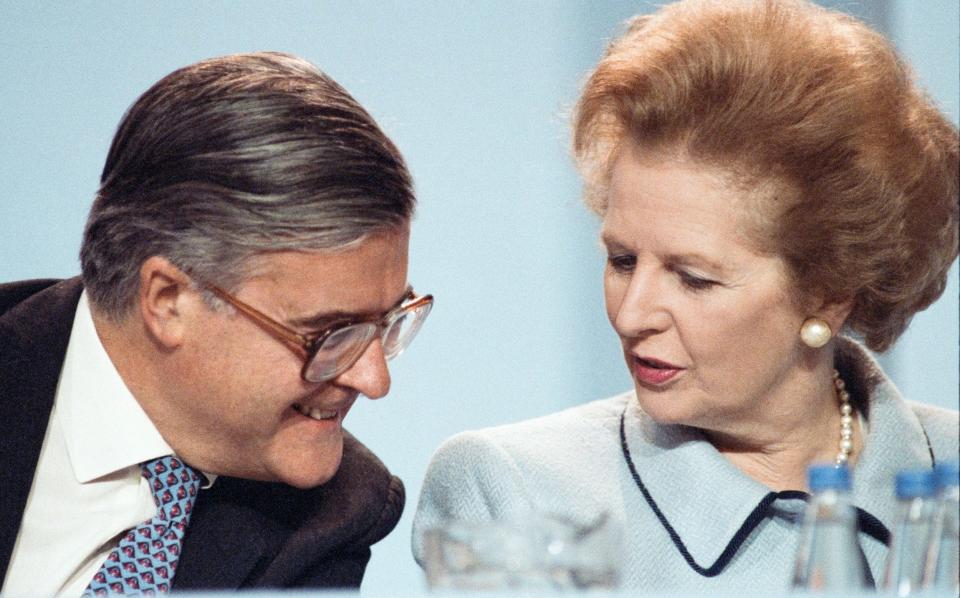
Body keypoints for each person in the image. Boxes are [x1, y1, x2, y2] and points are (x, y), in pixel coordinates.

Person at [412, 0, 958, 591]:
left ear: (828, 294)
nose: (631, 314)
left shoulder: (943, 465)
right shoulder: (513, 487)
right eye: (622, 261)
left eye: (693, 278)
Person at [0, 52, 433, 594]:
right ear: (169, 300)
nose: (374, 380)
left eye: (388, 321)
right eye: (330, 334)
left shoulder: (334, 516)